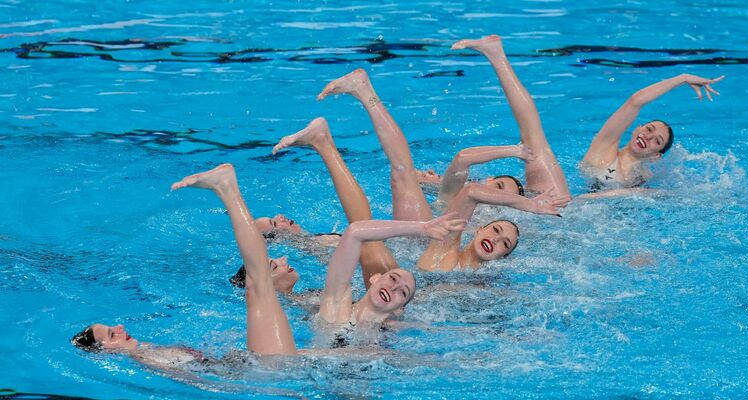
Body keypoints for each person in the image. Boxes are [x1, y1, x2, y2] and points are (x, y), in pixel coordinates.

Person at [72, 164, 465, 359]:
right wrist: (425, 225)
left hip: (282, 378)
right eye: (394, 278)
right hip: (281, 369)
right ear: (376, 280)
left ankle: (127, 348)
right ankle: (228, 190)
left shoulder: (391, 341)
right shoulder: (337, 304)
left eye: (403, 292)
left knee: (204, 354)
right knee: (259, 282)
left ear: (401, 306)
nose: (394, 287)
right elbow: (357, 231)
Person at [276, 69, 566, 272]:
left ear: (504, 257)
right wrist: (530, 205)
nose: (498, 240)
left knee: (357, 231)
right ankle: (360, 97)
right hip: (414, 241)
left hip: (401, 263)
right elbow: (472, 190)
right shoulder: (447, 244)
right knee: (397, 179)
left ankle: (325, 138)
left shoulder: (481, 279)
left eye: (505, 244)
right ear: (478, 228)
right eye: (498, 231)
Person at [415, 34, 573, 206]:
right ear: (487, 180)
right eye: (498, 186)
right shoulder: (458, 199)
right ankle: (496, 55)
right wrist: (515, 150)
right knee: (534, 139)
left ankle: (496, 54)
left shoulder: (456, 204)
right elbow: (462, 161)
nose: (497, 194)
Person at [581, 71, 723, 192]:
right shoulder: (603, 149)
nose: (648, 137)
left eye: (657, 141)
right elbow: (635, 101)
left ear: (656, 156)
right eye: (649, 129)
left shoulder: (644, 178)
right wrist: (683, 78)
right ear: (637, 128)